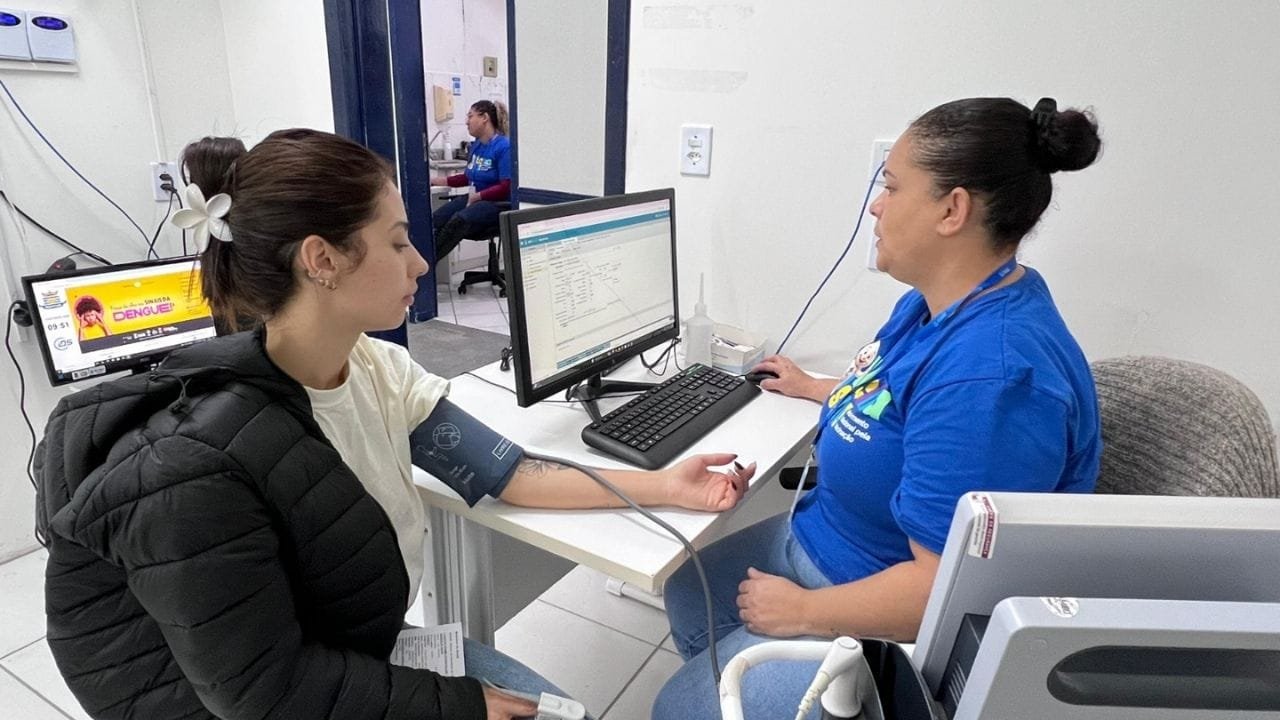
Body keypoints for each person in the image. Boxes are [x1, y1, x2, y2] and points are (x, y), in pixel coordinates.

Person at [34, 128, 756, 720]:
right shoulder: (197, 465)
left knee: (560, 714)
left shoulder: (376, 369)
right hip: (244, 699)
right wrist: (459, 706)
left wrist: (662, 484)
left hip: (348, 647)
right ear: (321, 261)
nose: (419, 261)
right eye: (398, 241)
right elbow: (263, 693)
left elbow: (506, 470)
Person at [652, 97, 1104, 720]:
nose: (876, 204)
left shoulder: (990, 380)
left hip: (887, 621)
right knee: (685, 587)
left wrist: (803, 612)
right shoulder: (940, 302)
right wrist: (819, 387)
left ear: (953, 209)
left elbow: (942, 591)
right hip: (831, 541)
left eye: (891, 186)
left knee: (677, 710)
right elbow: (896, 390)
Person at [431, 99, 512, 262]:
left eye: (470, 116)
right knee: (435, 220)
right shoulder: (476, 146)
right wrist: (439, 181)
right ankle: (422, 264)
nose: (467, 122)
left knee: (459, 220)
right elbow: (469, 176)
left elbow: (506, 187)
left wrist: (478, 196)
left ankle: (426, 267)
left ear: (484, 118)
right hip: (475, 199)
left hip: (496, 204)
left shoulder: (504, 147)